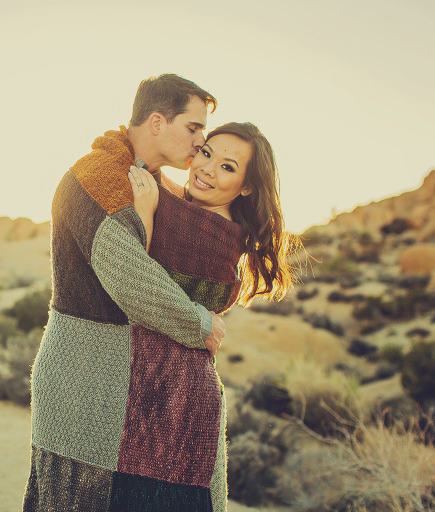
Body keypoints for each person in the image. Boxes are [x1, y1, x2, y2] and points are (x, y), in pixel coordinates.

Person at [23, 76, 288, 512]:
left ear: (244, 186)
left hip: (152, 399)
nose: (201, 145)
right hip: (94, 385)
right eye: (195, 131)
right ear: (158, 121)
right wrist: (198, 322)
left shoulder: (154, 187)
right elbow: (129, 276)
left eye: (224, 162)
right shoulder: (102, 177)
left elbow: (184, 280)